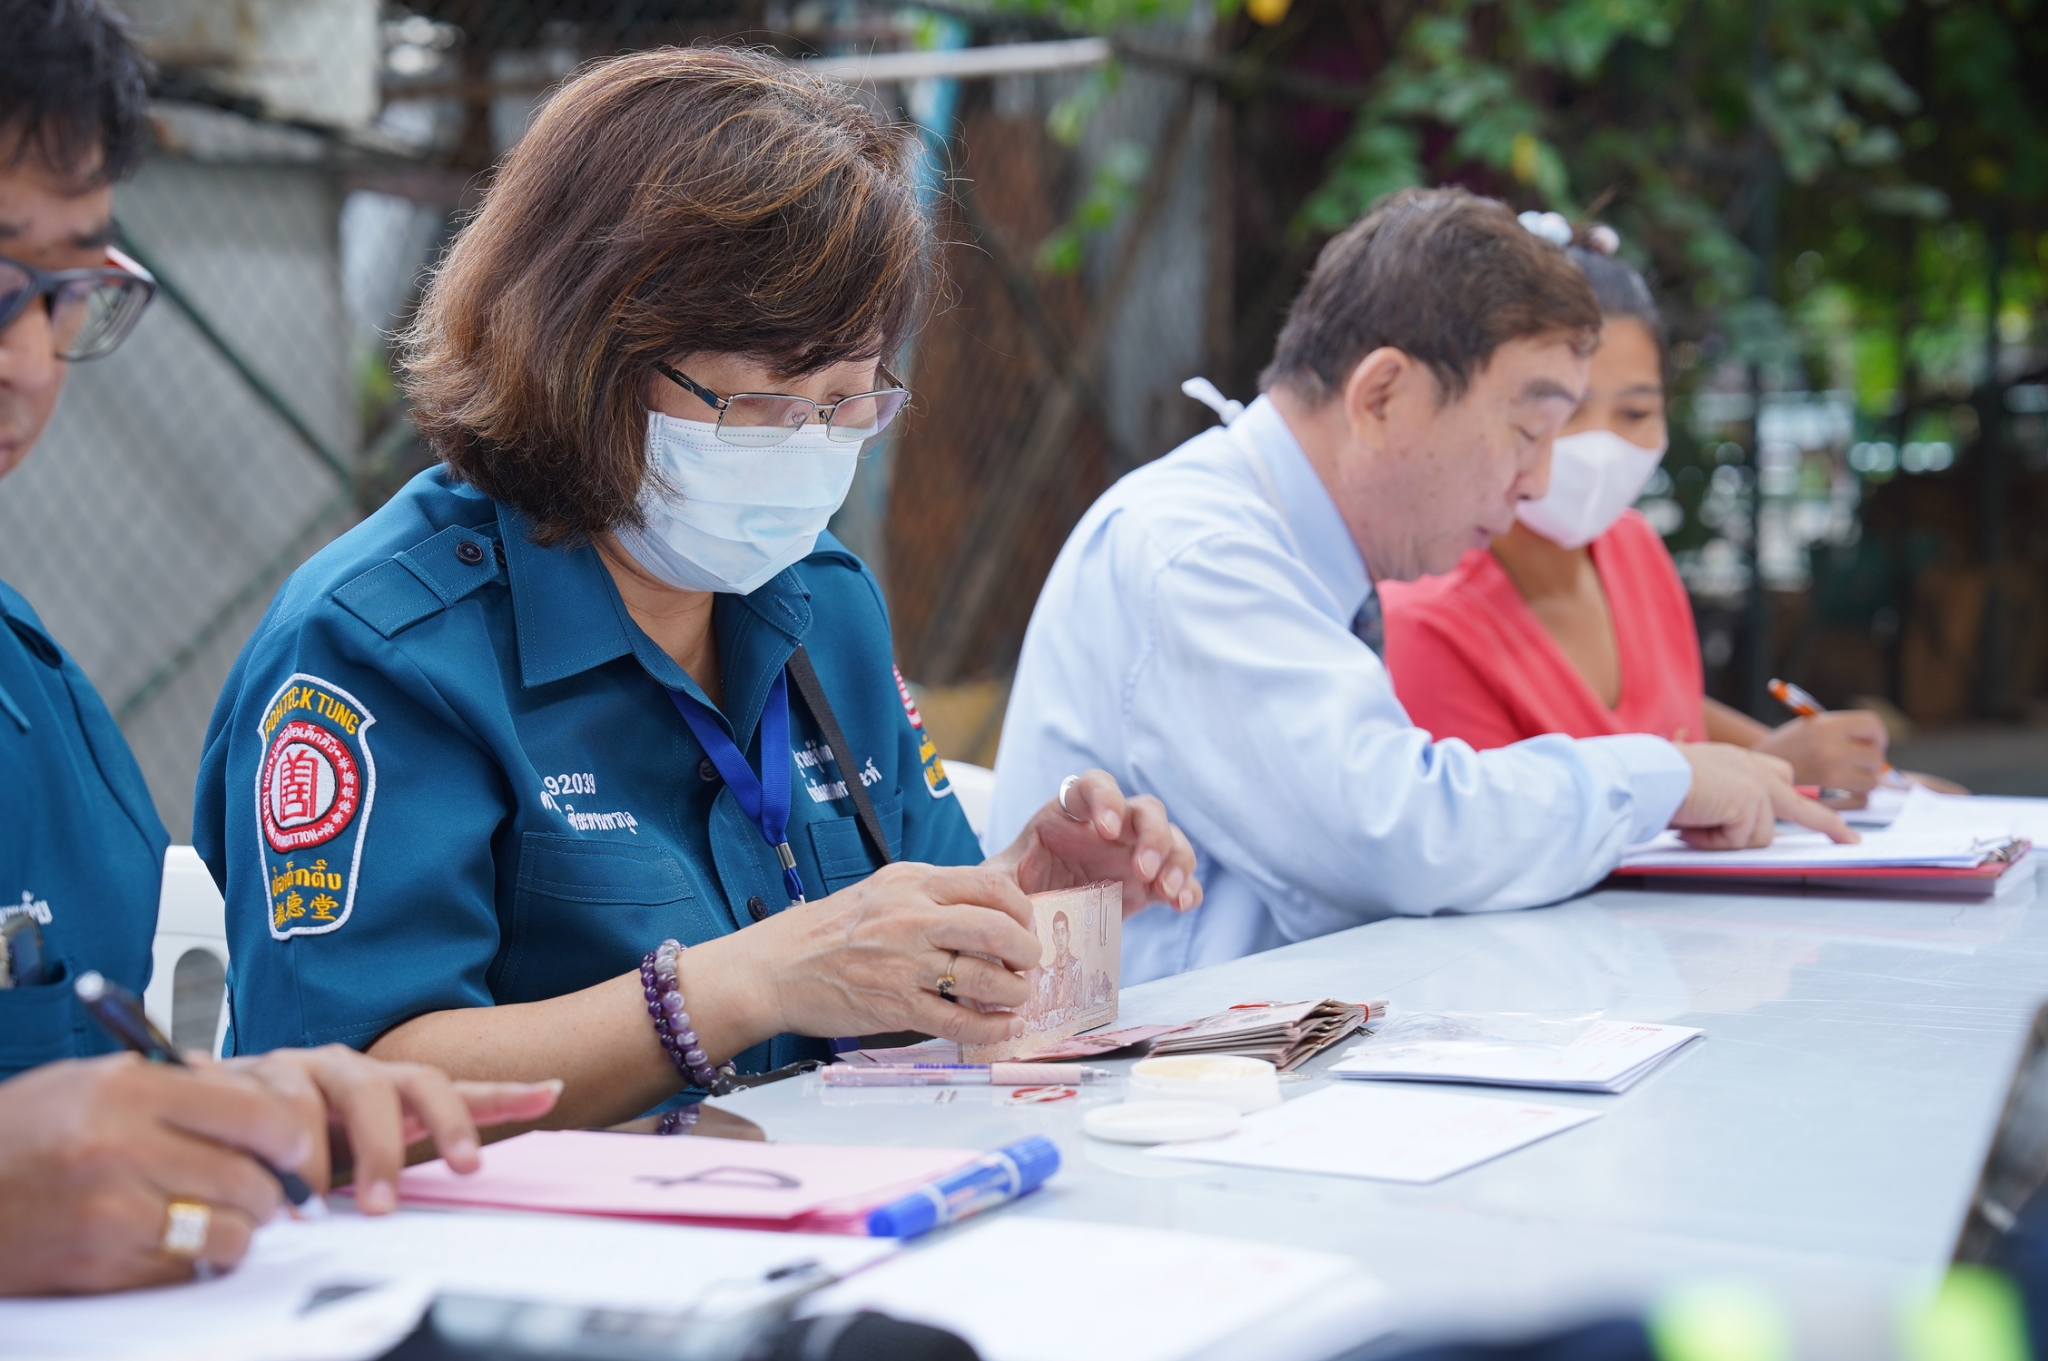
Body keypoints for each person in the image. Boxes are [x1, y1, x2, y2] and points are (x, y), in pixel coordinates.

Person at [194, 46, 1200, 1132]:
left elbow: (892, 965)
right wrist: (744, 983)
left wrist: (1009, 905)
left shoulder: (821, 604)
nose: (809, 448)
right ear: (581, 351)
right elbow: (345, 1088)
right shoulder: (382, 650)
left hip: (829, 1194)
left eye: (849, 401)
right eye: (760, 404)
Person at [0, 0, 558, 1296]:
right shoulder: (376, 634)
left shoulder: (35, 694)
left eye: (66, 289)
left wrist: (237, 1108)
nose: (27, 360)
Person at [988, 187, 1853, 985]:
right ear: (1383, 396)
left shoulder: (1278, 545)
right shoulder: (1198, 551)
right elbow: (1394, 833)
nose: (1537, 481)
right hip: (1162, 1085)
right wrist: (1660, 777)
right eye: (1528, 431)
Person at [1379, 219, 1960, 799]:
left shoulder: (1631, 546)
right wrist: (1769, 775)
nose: (1600, 444)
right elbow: (1500, 830)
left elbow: (1671, 712)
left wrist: (1822, 770)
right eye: (1564, 410)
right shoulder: (1426, 617)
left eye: (1635, 413)